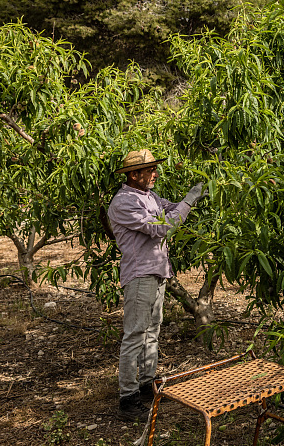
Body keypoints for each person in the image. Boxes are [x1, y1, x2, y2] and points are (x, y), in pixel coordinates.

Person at [108, 149, 206, 421]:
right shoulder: (124, 202)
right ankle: (127, 398)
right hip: (140, 274)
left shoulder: (148, 196)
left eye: (154, 169)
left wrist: (192, 199)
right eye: (150, 170)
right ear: (134, 174)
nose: (155, 174)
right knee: (135, 334)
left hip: (157, 272)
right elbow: (162, 227)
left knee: (152, 329)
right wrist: (191, 198)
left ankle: (147, 383)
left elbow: (172, 209)